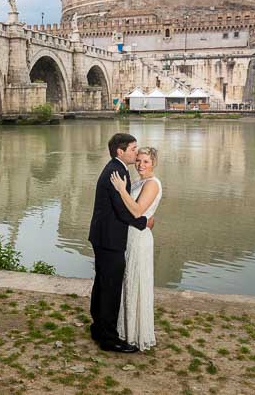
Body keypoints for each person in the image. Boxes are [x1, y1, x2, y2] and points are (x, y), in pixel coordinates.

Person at [88, 133, 154, 353]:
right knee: (110, 288)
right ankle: (108, 339)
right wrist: (145, 222)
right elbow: (124, 211)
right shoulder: (116, 171)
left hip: (103, 236)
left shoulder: (116, 168)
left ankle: (98, 327)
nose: (136, 154)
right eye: (133, 149)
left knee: (102, 284)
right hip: (109, 239)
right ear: (120, 151)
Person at [110, 147, 162, 351]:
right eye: (139, 160)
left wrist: (121, 189)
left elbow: (138, 210)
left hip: (139, 239)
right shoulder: (139, 182)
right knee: (129, 282)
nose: (141, 165)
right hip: (131, 236)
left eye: (146, 162)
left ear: (154, 163)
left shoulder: (152, 184)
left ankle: (136, 335)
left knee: (136, 281)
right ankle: (126, 330)